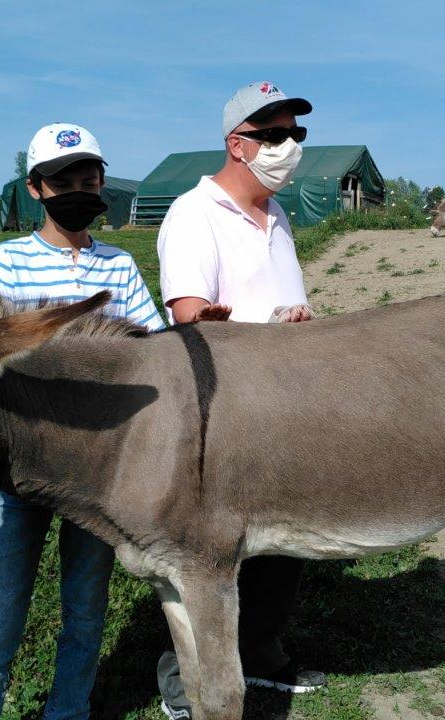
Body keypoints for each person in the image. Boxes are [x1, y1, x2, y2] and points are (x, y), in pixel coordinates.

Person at [0, 123, 165, 720]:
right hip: (20, 469)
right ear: (36, 188)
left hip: (97, 467)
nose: (79, 189)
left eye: (89, 179)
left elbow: (148, 344)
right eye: (63, 180)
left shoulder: (119, 264)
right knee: (1, 605)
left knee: (85, 603)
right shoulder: (9, 260)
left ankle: (68, 711)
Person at [154, 81, 323, 720]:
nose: (289, 148)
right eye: (274, 136)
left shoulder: (277, 216)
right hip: (226, 415)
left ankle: (261, 654)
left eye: (296, 135)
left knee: (283, 544)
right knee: (206, 552)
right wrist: (229, 322)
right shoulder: (193, 214)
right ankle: (183, 679)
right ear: (237, 144)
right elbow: (190, 315)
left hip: (285, 407)